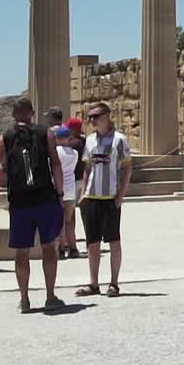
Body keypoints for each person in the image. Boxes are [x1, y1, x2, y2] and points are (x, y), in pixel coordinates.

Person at [0, 97, 64, 313]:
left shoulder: (6, 138)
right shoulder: (46, 133)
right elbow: (55, 162)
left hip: (20, 202)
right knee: (49, 248)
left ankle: (25, 299)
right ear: (32, 112)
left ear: (13, 114)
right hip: (45, 197)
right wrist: (60, 192)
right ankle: (50, 295)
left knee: (22, 252)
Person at [77, 102, 132, 298]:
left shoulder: (120, 140)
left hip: (110, 197)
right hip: (91, 197)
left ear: (107, 116)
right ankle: (93, 283)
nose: (92, 120)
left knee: (113, 241)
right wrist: (83, 194)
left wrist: (120, 196)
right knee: (92, 243)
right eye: (90, 116)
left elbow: (127, 168)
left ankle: (114, 283)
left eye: (96, 115)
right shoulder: (90, 140)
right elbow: (87, 168)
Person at [53, 125, 81, 260]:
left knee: (59, 222)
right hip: (71, 189)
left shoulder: (56, 151)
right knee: (69, 221)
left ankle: (61, 248)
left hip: (58, 188)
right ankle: (73, 247)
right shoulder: (74, 153)